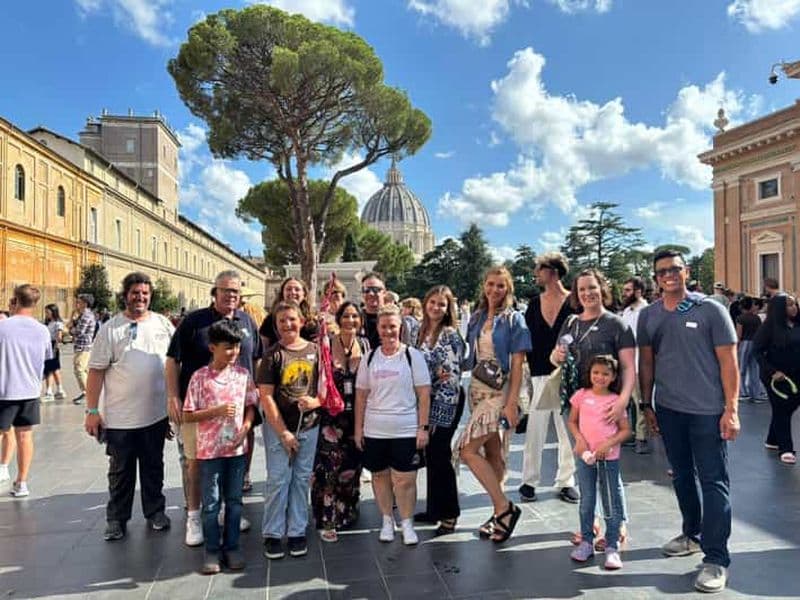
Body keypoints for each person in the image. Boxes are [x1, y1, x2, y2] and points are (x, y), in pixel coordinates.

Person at [638, 249, 740, 594]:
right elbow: (647, 363)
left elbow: (729, 362)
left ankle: (716, 558)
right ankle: (692, 534)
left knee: (713, 481)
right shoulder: (649, 315)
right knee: (681, 476)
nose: (668, 275)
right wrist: (646, 403)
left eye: (674, 269)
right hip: (669, 409)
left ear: (687, 271)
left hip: (708, 411)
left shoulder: (710, 309)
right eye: (662, 271)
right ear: (655, 277)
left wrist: (732, 409)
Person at [166, 270, 262, 547]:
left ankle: (226, 509)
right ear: (214, 292)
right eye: (225, 290)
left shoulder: (247, 321)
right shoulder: (194, 322)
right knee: (194, 464)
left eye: (236, 291)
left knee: (234, 461)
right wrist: (173, 396)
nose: (231, 295)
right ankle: (194, 516)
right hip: (198, 408)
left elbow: (254, 359)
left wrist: (253, 401)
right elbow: (172, 360)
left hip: (236, 407)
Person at [84, 272, 174, 541]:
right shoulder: (110, 328)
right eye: (135, 292)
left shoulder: (163, 324)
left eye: (145, 293)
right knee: (120, 472)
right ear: (125, 295)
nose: (141, 297)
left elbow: (174, 365)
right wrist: (91, 411)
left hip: (156, 415)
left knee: (153, 467)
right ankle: (116, 519)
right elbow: (96, 372)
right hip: (120, 418)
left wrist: (174, 404)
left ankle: (155, 511)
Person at [551, 268, 636, 549]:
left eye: (592, 287)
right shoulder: (571, 323)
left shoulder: (616, 324)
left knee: (608, 470)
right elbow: (555, 358)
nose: (587, 293)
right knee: (584, 463)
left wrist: (623, 399)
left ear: (602, 288)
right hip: (576, 406)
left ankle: (618, 524)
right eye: (582, 289)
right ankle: (591, 524)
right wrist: (557, 355)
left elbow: (627, 366)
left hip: (607, 407)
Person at [460, 266, 531, 543]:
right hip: (478, 390)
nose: (494, 290)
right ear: (484, 286)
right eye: (490, 284)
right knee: (493, 454)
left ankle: (505, 508)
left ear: (508, 289)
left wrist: (511, 404)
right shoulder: (477, 318)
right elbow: (470, 356)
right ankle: (497, 514)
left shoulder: (515, 320)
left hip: (502, 393)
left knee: (467, 450)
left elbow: (517, 366)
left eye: (500, 286)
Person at [183, 320, 258, 574]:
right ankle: (212, 550)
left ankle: (233, 546)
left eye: (236, 347)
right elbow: (188, 414)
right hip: (210, 451)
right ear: (212, 347)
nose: (233, 352)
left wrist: (246, 430)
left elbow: (251, 406)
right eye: (227, 347)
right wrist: (215, 411)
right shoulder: (200, 378)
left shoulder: (242, 375)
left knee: (235, 501)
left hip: (236, 450)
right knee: (212, 503)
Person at [354, 304, 431, 545]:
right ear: (377, 328)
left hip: (406, 429)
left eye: (393, 327)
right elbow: (361, 396)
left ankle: (407, 523)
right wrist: (358, 429)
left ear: (401, 328)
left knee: (405, 480)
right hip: (375, 429)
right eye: (384, 327)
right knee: (379, 477)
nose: (388, 332)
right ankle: (387, 520)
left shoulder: (412, 356)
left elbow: (424, 394)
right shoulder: (369, 358)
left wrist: (422, 427)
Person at [258, 301, 322, 560]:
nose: (288, 325)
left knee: (301, 479)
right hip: (279, 428)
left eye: (292, 319)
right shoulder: (272, 355)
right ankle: (273, 533)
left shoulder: (317, 351)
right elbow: (266, 396)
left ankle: (297, 530)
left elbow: (327, 389)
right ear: (275, 325)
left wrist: (316, 402)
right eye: (282, 321)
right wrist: (283, 432)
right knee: (278, 479)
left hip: (309, 425)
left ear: (302, 322)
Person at [520, 253, 579, 504]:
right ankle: (528, 480)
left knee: (567, 431)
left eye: (539, 269)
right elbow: (525, 339)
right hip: (540, 374)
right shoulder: (534, 304)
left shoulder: (574, 302)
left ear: (552, 271)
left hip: (568, 375)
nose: (535, 273)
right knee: (535, 428)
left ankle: (566, 481)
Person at [311, 301, 369, 542]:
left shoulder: (365, 345)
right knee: (328, 467)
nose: (351, 320)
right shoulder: (324, 344)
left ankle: (347, 511)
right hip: (330, 417)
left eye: (355, 316)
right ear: (339, 318)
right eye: (346, 315)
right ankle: (326, 518)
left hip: (355, 415)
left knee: (351, 466)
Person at [567, 355, 630, 570]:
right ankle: (586, 541)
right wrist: (580, 439)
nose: (600, 377)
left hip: (608, 459)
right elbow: (572, 421)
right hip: (585, 457)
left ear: (613, 377)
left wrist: (608, 444)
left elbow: (625, 430)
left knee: (611, 501)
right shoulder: (581, 396)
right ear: (589, 374)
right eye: (596, 373)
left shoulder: (615, 401)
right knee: (587, 499)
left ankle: (612, 545)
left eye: (605, 374)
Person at [413, 286, 465, 536]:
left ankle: (449, 513)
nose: (436, 307)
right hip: (426, 400)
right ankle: (434, 508)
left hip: (447, 400)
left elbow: (450, 375)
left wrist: (438, 413)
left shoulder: (449, 335)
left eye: (441, 304)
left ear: (448, 308)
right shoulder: (421, 331)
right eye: (432, 302)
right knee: (431, 456)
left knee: (440, 456)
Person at [0, 285, 52, 497]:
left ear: (15, 300)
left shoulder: (3, 327)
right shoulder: (42, 330)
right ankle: (22, 481)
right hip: (30, 390)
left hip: (5, 388)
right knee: (25, 436)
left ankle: (3, 467)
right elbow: (49, 361)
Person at [752, 293, 800, 464]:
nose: (793, 308)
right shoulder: (769, 327)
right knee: (782, 409)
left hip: (796, 375)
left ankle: (773, 439)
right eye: (789, 305)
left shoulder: (797, 324)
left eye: (795, 304)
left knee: (789, 407)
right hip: (776, 377)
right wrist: (772, 371)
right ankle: (786, 448)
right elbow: (756, 351)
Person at [620, 276, 651, 454]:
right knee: (628, 402)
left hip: (640, 364)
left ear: (638, 291)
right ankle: (630, 433)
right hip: (627, 364)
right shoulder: (627, 311)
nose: (624, 294)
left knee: (640, 402)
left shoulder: (646, 311)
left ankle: (642, 437)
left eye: (628, 290)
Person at [260, 277, 318, 349]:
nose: (293, 292)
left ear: (304, 294)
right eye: (288, 289)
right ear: (282, 293)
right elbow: (263, 345)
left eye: (297, 289)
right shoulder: (271, 319)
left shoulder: (312, 321)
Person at [736, 297, 767, 403]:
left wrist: (736, 346)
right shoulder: (757, 318)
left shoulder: (741, 318)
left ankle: (743, 393)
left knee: (741, 369)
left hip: (745, 343)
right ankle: (757, 393)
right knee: (755, 369)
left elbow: (739, 335)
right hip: (755, 343)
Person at [70, 294, 96, 405]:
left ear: (85, 303)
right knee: (84, 370)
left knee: (79, 370)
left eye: (79, 302)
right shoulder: (83, 315)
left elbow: (79, 331)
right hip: (81, 346)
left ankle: (87, 393)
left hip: (83, 346)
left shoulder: (86, 316)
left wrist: (70, 329)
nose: (77, 305)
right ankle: (90, 391)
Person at [42, 304, 66, 402]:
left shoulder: (57, 323)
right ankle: (59, 390)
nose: (46, 314)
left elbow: (59, 336)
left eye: (48, 312)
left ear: (53, 312)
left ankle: (49, 391)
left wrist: (56, 346)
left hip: (52, 345)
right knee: (54, 368)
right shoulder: (48, 322)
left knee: (49, 369)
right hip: (48, 345)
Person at [360, 273, 386, 349]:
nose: (371, 294)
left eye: (375, 290)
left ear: (384, 292)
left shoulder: (395, 319)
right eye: (366, 290)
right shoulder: (356, 319)